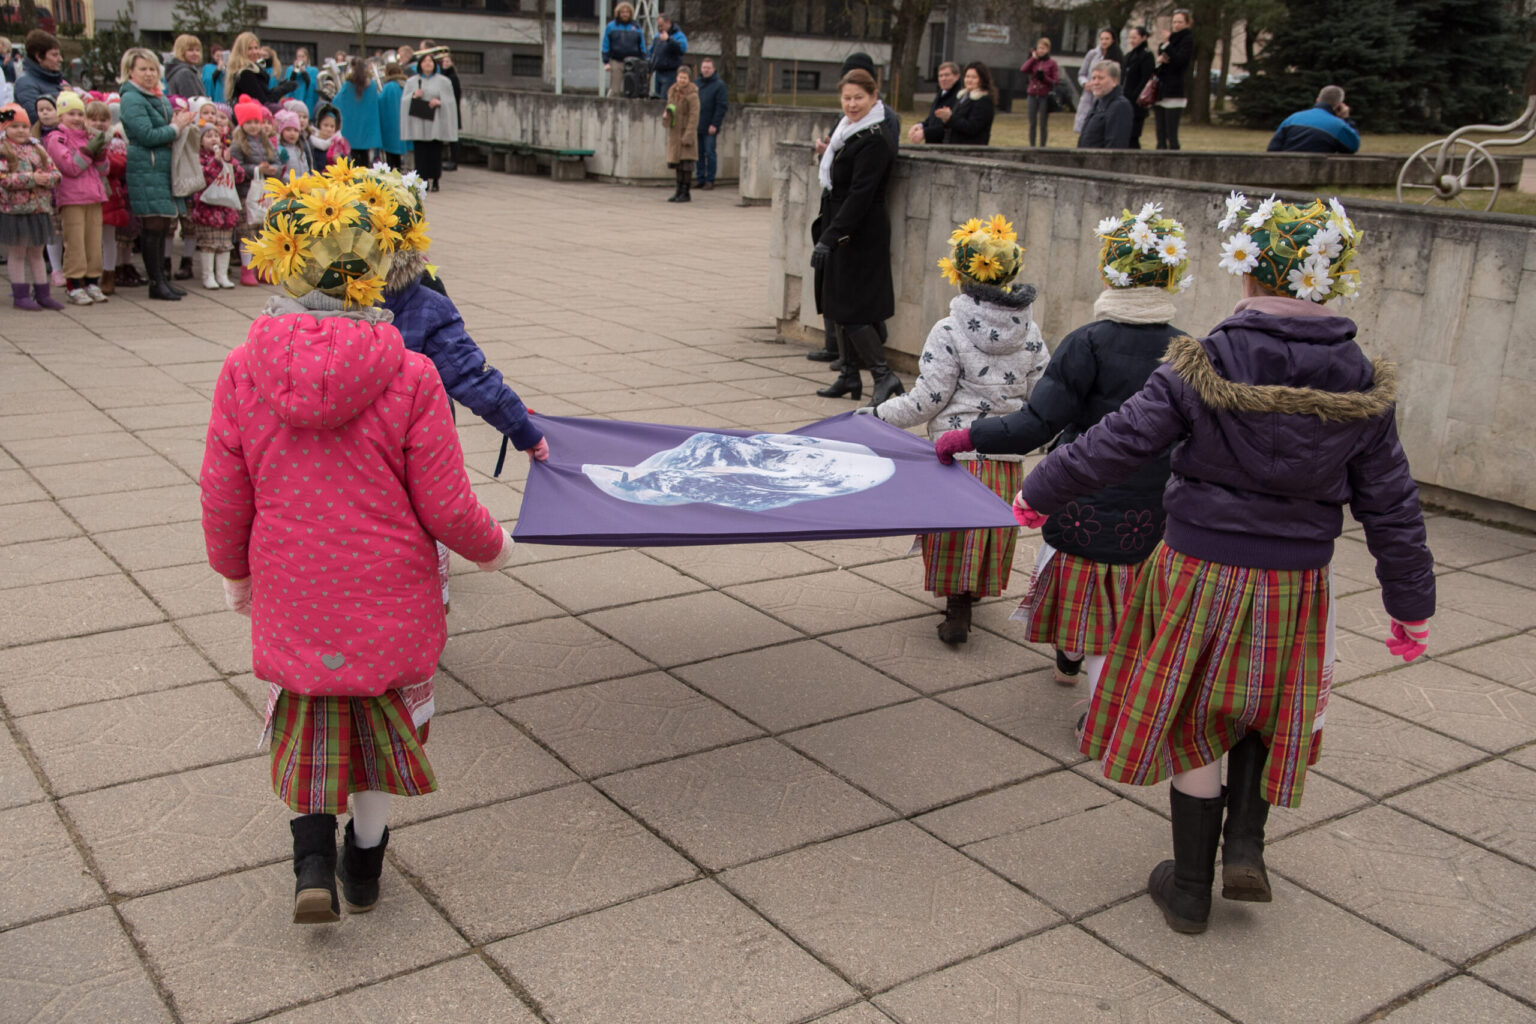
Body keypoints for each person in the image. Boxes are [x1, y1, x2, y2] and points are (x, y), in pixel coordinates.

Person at [1013, 194, 1433, 935]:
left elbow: (1115, 441)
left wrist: (1039, 491)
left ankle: (1190, 887)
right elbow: (1391, 500)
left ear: (1247, 278)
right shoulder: (1361, 378)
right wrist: (1410, 603)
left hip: (1197, 568)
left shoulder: (1201, 361)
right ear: (1330, 282)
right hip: (1297, 582)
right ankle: (1247, 842)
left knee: (1193, 714)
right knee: (1264, 709)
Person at [202, 163, 521, 925]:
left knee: (306, 719)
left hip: (294, 587)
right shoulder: (410, 375)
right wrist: (493, 547)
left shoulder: (244, 372)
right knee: (384, 731)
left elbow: (224, 492)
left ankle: (310, 859)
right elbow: (445, 502)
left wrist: (233, 573)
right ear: (376, 268)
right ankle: (365, 863)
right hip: (389, 592)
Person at [935, 203, 1189, 710]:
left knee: (1083, 607)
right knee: (1126, 610)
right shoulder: (1187, 350)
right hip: (1154, 509)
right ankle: (1092, 676)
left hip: (1083, 495)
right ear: (1169, 274)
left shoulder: (1087, 344)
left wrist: (967, 437)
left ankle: (1081, 672)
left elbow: (1037, 423)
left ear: (1108, 273)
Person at [864, 215, 1047, 643]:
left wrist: (876, 417)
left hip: (955, 452)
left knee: (954, 530)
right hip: (1004, 453)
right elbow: (1043, 397)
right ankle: (972, 593)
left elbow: (927, 400)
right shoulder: (1031, 332)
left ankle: (957, 607)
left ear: (962, 274)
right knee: (985, 529)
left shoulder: (948, 330)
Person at [810, 69, 901, 407]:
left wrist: (831, 237)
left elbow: (862, 194)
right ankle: (849, 375)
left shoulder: (874, 137)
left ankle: (884, 376)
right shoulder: (847, 130)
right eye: (846, 98)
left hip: (861, 231)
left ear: (874, 97)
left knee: (853, 307)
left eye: (858, 98)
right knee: (835, 302)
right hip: (841, 226)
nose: (852, 104)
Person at [121, 47, 195, 301]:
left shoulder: (156, 96)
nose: (149, 74)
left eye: (152, 68)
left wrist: (176, 123)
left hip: (160, 167)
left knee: (163, 225)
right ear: (131, 71)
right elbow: (146, 135)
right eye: (143, 69)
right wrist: (176, 127)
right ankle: (156, 282)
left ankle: (161, 279)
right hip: (147, 165)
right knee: (153, 225)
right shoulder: (132, 98)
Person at [42, 90, 109, 304]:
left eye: (80, 114)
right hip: (71, 197)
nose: (77, 119)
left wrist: (101, 153)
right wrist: (88, 151)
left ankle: (91, 282)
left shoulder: (89, 136)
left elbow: (103, 170)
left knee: (93, 243)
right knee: (75, 243)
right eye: (71, 113)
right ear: (61, 116)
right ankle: (74, 284)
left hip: (94, 195)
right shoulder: (55, 138)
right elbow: (70, 167)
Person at [1, 102, 64, 310]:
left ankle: (42, 292)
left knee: (37, 252)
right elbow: (3, 178)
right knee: (18, 252)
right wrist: (31, 179)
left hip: (39, 208)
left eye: (24, 126)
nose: (20, 131)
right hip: (15, 211)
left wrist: (49, 178)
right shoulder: (3, 150)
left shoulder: (37, 148)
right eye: (14, 126)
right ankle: (20, 294)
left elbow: (55, 171)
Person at [230, 97, 279, 285]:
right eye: (248, 122)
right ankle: (246, 268)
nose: (253, 126)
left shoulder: (266, 143)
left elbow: (276, 160)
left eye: (256, 122)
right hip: (247, 192)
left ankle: (261, 267)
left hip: (264, 194)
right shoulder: (238, 144)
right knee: (247, 233)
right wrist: (258, 169)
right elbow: (237, 167)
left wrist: (273, 168)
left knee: (263, 232)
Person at [189, 123, 241, 290]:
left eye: (216, 135)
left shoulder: (227, 156)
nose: (213, 139)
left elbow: (239, 176)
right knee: (209, 244)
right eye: (208, 135)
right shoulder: (199, 158)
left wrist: (229, 162)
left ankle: (222, 275)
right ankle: (208, 275)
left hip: (226, 209)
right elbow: (203, 178)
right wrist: (216, 162)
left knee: (224, 244)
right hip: (208, 208)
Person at [401, 52, 456, 191]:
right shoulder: (412, 81)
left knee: (434, 152)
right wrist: (414, 95)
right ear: (420, 64)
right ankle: (422, 180)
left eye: (430, 62)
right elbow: (404, 101)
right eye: (425, 61)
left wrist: (439, 102)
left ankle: (435, 180)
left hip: (435, 121)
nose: (427, 64)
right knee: (420, 153)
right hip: (419, 121)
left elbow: (450, 101)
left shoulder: (443, 81)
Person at [1268, 85, 1361, 154]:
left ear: (1317, 100)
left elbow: (1272, 149)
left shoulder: (1292, 118)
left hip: (1285, 175)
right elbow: (1353, 146)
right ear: (1339, 106)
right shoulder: (1338, 125)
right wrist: (1347, 119)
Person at [225, 32, 297, 110]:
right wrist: (282, 89)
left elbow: (264, 96)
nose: (255, 52)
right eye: (249, 48)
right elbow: (263, 102)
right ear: (241, 51)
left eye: (256, 48)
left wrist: (279, 88)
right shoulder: (245, 74)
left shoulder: (252, 71)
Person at [1154, 9, 1194, 150]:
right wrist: (1160, 60)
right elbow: (1161, 62)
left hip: (1175, 90)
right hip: (1161, 90)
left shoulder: (1187, 40)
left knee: (1171, 133)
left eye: (1180, 22)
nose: (1176, 25)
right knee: (1160, 134)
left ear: (1187, 24)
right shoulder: (1170, 40)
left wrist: (1167, 45)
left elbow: (1179, 62)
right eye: (1174, 22)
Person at [332, 58, 383, 165]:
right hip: (367, 129)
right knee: (366, 162)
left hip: (351, 130)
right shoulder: (373, 85)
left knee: (352, 163)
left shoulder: (348, 85)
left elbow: (336, 102)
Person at [660, 63, 699, 202]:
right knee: (677, 164)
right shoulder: (672, 91)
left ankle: (685, 191)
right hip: (675, 133)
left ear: (689, 79)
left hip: (686, 132)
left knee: (686, 165)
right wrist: (667, 116)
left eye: (685, 78)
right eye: (680, 77)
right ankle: (678, 190)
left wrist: (688, 135)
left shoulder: (692, 95)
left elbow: (694, 116)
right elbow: (670, 107)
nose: (682, 80)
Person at [937, 62, 996, 145]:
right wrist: (945, 119)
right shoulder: (962, 97)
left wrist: (950, 118)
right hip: (953, 146)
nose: (969, 80)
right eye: (967, 77)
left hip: (970, 149)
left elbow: (972, 127)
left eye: (974, 77)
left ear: (982, 80)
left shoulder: (984, 101)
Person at [14, 29, 66, 123]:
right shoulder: (25, 84)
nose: (60, 59)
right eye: (54, 55)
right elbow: (38, 120)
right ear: (39, 57)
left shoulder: (52, 80)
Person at [1078, 61, 1133, 149]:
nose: (1096, 82)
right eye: (1094, 78)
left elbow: (1115, 145)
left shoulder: (1120, 106)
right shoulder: (1098, 103)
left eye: (1100, 78)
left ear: (1114, 81)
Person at [1073, 30, 1118, 136]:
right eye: (1102, 39)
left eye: (1107, 39)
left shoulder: (1116, 56)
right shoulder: (1092, 54)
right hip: (1089, 94)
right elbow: (1082, 73)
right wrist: (1085, 83)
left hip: (1105, 95)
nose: (1104, 41)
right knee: (1085, 124)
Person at [909, 61, 961, 145]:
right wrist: (921, 125)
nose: (943, 78)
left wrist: (925, 133)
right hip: (932, 144)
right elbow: (933, 118)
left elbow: (948, 126)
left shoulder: (959, 97)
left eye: (947, 75)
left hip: (946, 146)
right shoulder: (941, 94)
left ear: (957, 76)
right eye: (940, 76)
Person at [601, 3, 646, 99]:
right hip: (616, 61)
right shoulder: (611, 26)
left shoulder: (636, 27)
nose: (625, 14)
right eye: (622, 12)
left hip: (633, 62)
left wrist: (644, 59)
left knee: (632, 89)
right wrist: (606, 61)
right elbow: (606, 44)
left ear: (631, 13)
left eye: (627, 12)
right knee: (615, 89)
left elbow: (641, 44)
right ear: (618, 13)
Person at [694, 56, 726, 189]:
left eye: (708, 68)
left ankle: (710, 180)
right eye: (704, 68)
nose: (706, 70)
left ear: (713, 69)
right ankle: (700, 178)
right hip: (697, 124)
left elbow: (721, 106)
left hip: (710, 125)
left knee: (710, 153)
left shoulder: (719, 85)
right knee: (698, 153)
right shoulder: (696, 83)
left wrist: (715, 124)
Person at [1121, 26, 1155, 148]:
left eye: (1135, 37)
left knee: (1133, 135)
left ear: (1143, 37)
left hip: (1137, 101)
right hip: (1125, 97)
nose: (1132, 40)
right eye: (1130, 37)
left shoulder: (1146, 55)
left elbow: (1145, 78)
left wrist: (1135, 95)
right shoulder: (1129, 55)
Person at [1020, 39, 1058, 148]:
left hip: (1044, 95)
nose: (1041, 50)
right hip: (1032, 94)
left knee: (1043, 123)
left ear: (1048, 50)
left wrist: (1044, 78)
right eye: (1039, 48)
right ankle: (1031, 145)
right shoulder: (1034, 61)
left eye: (1043, 48)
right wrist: (1033, 58)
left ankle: (1042, 146)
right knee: (1032, 123)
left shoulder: (1052, 63)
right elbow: (1023, 69)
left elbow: (1055, 81)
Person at [378, 61, 411, 170]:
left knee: (391, 155)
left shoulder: (389, 86)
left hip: (391, 125)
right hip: (404, 125)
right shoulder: (406, 85)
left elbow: (380, 101)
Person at [649, 15, 688, 98]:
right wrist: (650, 68)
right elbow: (652, 53)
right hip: (659, 72)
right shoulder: (657, 37)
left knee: (666, 99)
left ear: (668, 23)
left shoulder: (678, 36)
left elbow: (682, 49)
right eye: (658, 26)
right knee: (657, 98)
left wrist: (669, 40)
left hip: (670, 73)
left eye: (661, 26)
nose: (659, 28)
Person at [164, 35, 204, 101]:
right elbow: (193, 101)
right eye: (190, 50)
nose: (195, 53)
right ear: (181, 51)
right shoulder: (185, 73)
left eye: (197, 50)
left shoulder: (176, 70)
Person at [285, 48, 319, 115]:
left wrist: (304, 72)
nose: (300, 59)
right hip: (294, 99)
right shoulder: (290, 69)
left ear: (307, 58)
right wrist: (294, 72)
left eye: (303, 56)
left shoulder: (313, 70)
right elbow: (288, 84)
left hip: (306, 101)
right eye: (299, 56)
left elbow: (312, 85)